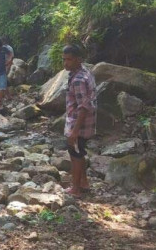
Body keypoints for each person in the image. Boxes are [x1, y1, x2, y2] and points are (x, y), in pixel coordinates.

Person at [63, 44, 97, 198]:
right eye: (64, 59)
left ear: (78, 59)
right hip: (85, 122)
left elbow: (83, 107)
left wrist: (74, 131)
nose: (65, 63)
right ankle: (83, 182)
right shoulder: (84, 72)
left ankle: (75, 188)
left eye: (69, 60)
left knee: (75, 154)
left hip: (79, 123)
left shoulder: (78, 80)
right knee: (80, 152)